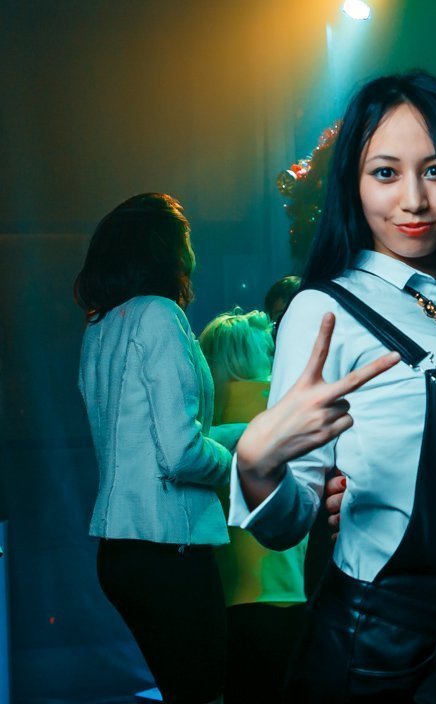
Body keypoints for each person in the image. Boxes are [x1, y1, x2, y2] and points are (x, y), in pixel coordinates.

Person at [228, 71, 436, 703]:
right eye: (385, 173)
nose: (414, 200)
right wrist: (258, 466)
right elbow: (291, 520)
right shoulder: (325, 310)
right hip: (380, 651)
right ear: (353, 184)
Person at [74, 193, 231, 704]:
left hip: (119, 551)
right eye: (185, 236)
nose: (192, 249)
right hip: (167, 547)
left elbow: (141, 438)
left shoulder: (100, 325)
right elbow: (181, 454)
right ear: (165, 247)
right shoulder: (160, 315)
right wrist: (238, 461)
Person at [198, 308, 309, 704]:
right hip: (283, 585)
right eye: (268, 350)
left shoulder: (199, 419)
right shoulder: (283, 408)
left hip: (221, 591)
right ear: (251, 355)